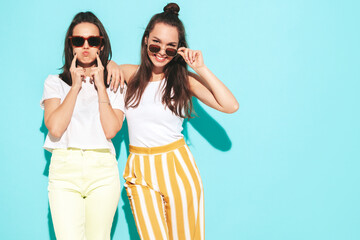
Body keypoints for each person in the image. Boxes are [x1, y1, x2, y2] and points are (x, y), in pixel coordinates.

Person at [111, 3, 239, 239]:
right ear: (146, 39)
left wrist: (201, 68)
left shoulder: (183, 80)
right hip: (139, 169)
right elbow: (107, 70)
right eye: (155, 43)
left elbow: (230, 106)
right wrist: (110, 63)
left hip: (177, 166)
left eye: (171, 48)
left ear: (180, 49)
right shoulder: (130, 74)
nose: (161, 52)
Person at [40, 12, 124, 240]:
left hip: (103, 170)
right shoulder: (54, 83)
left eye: (92, 41)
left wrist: (101, 85)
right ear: (71, 44)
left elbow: (110, 130)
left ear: (101, 44)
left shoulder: (114, 83)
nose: (85, 46)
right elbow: (55, 129)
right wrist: (75, 86)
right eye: (79, 41)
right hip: (65, 169)